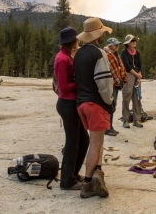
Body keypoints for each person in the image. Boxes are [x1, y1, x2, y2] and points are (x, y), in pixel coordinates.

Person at [73, 18, 114, 198]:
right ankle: (88, 183)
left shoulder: (78, 53)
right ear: (97, 34)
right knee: (95, 143)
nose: (104, 34)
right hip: (95, 104)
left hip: (81, 103)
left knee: (97, 139)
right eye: (102, 32)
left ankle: (98, 172)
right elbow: (104, 83)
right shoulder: (99, 54)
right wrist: (109, 102)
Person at [54, 27, 89, 191]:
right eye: (77, 39)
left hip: (71, 103)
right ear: (72, 41)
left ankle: (73, 174)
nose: (78, 41)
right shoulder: (62, 59)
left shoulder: (68, 56)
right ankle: (67, 180)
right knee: (72, 142)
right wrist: (82, 82)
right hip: (67, 104)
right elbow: (63, 87)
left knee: (83, 140)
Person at [103, 37, 128, 136]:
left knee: (113, 105)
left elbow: (119, 68)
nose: (117, 46)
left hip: (116, 84)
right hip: (110, 84)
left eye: (118, 44)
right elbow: (109, 70)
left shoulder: (116, 55)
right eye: (115, 44)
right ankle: (107, 128)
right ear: (110, 45)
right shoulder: (107, 54)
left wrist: (122, 79)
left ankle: (110, 126)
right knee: (110, 106)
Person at [120, 34, 143, 128]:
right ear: (127, 43)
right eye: (132, 41)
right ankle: (125, 119)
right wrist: (137, 74)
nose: (134, 42)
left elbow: (140, 65)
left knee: (137, 98)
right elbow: (126, 66)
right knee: (127, 96)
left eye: (135, 40)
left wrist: (139, 76)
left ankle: (137, 119)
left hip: (137, 75)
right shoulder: (124, 52)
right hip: (128, 75)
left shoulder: (137, 53)